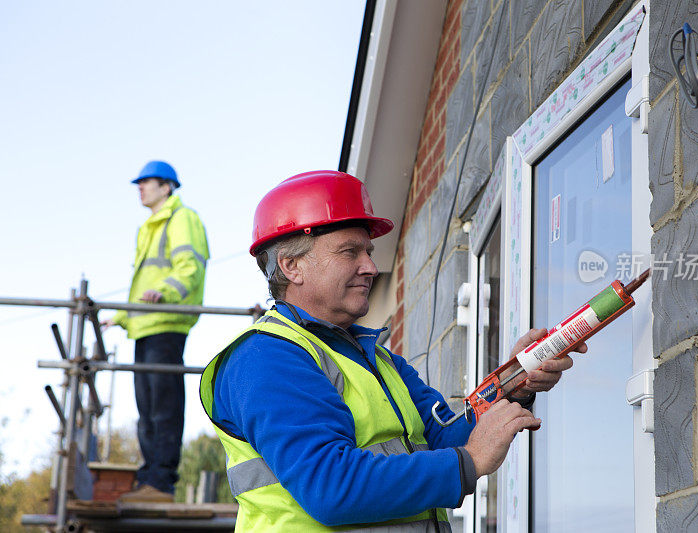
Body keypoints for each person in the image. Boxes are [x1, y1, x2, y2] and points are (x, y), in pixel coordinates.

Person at [200, 170, 581, 530]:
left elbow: (449, 440)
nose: (370, 266)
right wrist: (469, 462)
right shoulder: (266, 358)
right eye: (350, 252)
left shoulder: (378, 360)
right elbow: (330, 486)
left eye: (368, 251)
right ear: (291, 266)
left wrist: (516, 378)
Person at [103, 160, 210, 502]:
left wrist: (166, 292)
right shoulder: (149, 226)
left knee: (163, 407)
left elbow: (190, 267)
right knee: (147, 408)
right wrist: (119, 316)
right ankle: (150, 478)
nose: (140, 188)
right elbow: (142, 285)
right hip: (145, 325)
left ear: (167, 186)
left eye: (146, 182)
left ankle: (161, 483)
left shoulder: (182, 218)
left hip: (166, 323)